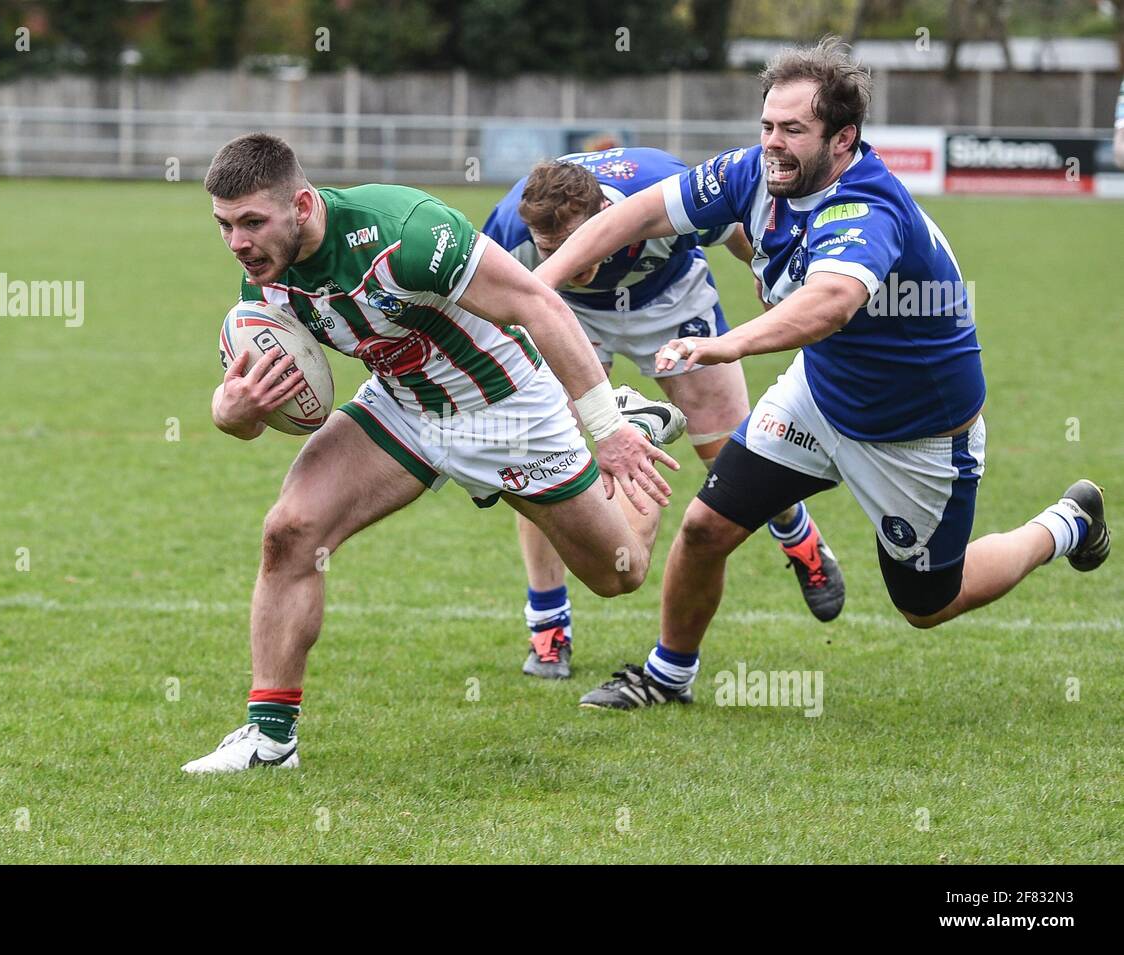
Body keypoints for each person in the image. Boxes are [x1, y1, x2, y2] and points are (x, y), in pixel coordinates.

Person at [532, 38, 1111, 710]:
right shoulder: (754, 172)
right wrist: (539, 287)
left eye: (794, 131)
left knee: (927, 603)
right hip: (820, 396)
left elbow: (829, 305)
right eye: (768, 126)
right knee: (704, 528)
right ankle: (668, 675)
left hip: (915, 436)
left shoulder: (869, 206)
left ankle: (1067, 521)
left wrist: (727, 345)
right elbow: (645, 211)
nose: (774, 143)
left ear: (843, 139)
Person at [182, 133, 682, 770]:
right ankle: (270, 739)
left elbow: (538, 303)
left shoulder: (406, 231)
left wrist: (607, 428)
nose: (238, 243)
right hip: (405, 407)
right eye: (225, 225)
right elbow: (252, 414)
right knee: (290, 530)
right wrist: (231, 412)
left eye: (252, 222)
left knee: (619, 573)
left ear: (303, 206)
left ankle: (636, 420)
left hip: (507, 410)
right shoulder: (265, 280)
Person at [482, 149, 845, 680]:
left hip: (674, 302)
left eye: (580, 250)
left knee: (736, 458)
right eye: (553, 252)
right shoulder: (510, 225)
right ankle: (549, 627)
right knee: (545, 462)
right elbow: (486, 305)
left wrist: (768, 282)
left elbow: (736, 233)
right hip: (571, 321)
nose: (574, 267)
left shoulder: (664, 186)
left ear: (607, 214)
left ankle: (797, 535)